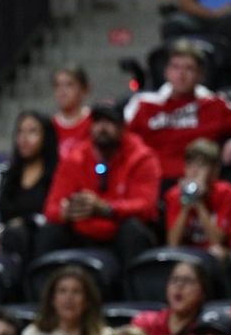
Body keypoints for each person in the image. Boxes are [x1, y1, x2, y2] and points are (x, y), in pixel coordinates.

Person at [38, 99, 161, 263]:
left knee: (133, 230)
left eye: (109, 122)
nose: (102, 128)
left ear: (122, 127)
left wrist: (106, 208)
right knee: (50, 231)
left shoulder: (141, 158)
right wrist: (67, 212)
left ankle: (132, 287)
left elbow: (146, 206)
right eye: (97, 122)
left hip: (118, 233)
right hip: (82, 232)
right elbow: (51, 208)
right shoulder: (74, 159)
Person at [125, 40, 231, 181]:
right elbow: (122, 139)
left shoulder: (215, 103)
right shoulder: (144, 103)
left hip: (199, 182)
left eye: (189, 68)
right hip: (152, 181)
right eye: (175, 67)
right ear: (166, 72)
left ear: (200, 75)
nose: (181, 74)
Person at [0, 111, 57, 261]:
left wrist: (25, 222)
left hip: (36, 244)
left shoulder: (57, 175)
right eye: (20, 131)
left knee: (18, 235)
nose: (24, 138)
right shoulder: (2, 174)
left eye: (32, 131)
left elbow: (54, 216)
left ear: (46, 137)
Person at [164, 138, 231, 261]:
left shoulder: (225, 192)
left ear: (214, 171)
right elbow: (173, 243)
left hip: (225, 251)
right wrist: (187, 201)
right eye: (190, 165)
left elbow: (217, 240)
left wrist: (198, 202)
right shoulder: (174, 195)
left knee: (216, 252)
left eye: (201, 165)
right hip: (189, 253)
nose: (194, 171)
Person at [132, 258, 211, 335]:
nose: (179, 285)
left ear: (203, 291)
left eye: (188, 281)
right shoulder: (146, 322)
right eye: (174, 280)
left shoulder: (206, 330)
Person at [49, 65, 91, 157]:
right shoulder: (49, 127)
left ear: (84, 89)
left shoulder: (93, 122)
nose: (62, 91)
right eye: (57, 85)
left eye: (69, 85)